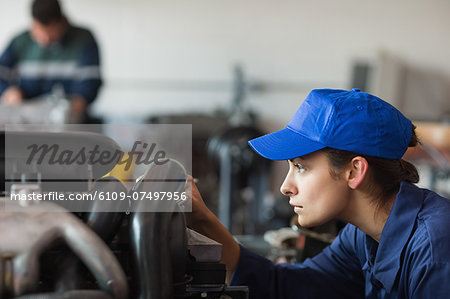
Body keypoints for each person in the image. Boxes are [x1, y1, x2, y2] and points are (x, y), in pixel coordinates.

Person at [186, 88, 450, 298]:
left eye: (300, 167)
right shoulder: (362, 236)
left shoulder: (435, 247)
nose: (285, 187)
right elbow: (287, 287)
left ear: (354, 171)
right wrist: (203, 220)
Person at [0, 0, 102, 123]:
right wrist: (7, 91)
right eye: (40, 31)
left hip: (68, 120)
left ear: (62, 23)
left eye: (51, 32)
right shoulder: (19, 41)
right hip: (27, 121)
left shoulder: (84, 40)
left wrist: (79, 102)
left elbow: (90, 83)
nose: (46, 38)